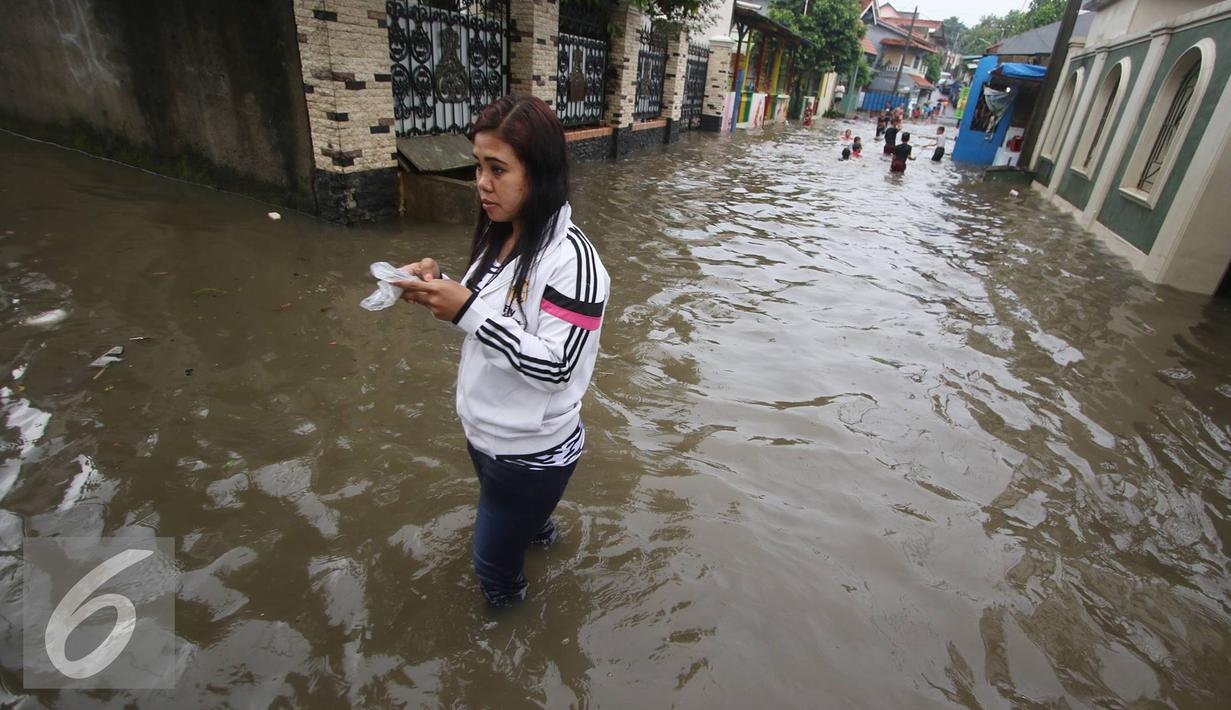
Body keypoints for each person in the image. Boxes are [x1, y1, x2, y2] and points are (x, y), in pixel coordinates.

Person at [393, 95, 610, 607]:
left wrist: (465, 308)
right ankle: (542, 537)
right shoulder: (502, 236)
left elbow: (558, 367)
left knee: (492, 568)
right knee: (526, 531)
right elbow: (487, 318)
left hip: (531, 454)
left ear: (538, 172)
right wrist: (437, 287)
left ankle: (511, 632)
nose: (482, 184)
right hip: (487, 435)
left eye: (498, 169)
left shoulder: (574, 264)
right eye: (478, 166)